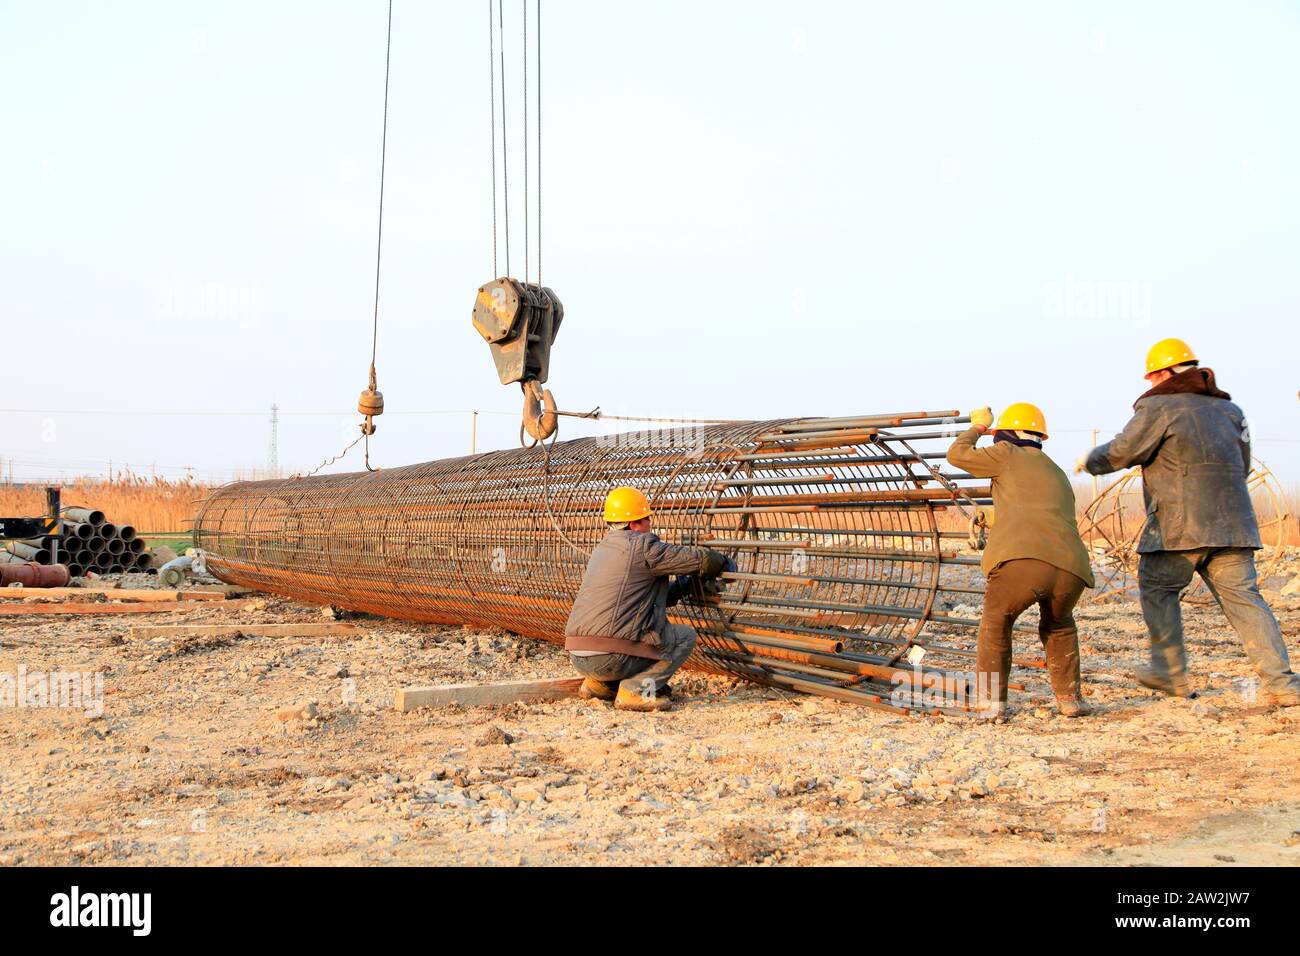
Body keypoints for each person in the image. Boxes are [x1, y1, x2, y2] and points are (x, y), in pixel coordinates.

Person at [1080, 338, 1300, 706]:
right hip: (1234, 525)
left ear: (1165, 373)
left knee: (1158, 587)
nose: (1149, 384)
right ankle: (1282, 684)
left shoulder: (1159, 406)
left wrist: (1091, 460)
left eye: (1151, 377)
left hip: (1179, 527)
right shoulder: (1233, 412)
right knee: (1247, 602)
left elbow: (1121, 452)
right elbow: (1242, 467)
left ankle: (1170, 673)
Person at [947, 403, 1095, 718]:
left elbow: (957, 454)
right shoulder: (1054, 469)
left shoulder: (1005, 454)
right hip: (1071, 568)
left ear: (1007, 434)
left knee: (996, 622)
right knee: (1059, 625)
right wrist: (996, 515)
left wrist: (978, 428)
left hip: (1023, 563)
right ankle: (1070, 700)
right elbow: (1044, 514)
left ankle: (991, 703)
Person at [564, 486, 729, 711]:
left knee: (634, 638)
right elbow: (698, 561)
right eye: (647, 518)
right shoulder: (643, 546)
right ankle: (636, 690)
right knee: (684, 636)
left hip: (578, 656)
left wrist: (685, 586)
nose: (650, 524)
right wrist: (722, 562)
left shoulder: (603, 549)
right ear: (634, 524)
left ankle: (599, 685)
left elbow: (644, 598)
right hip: (610, 657)